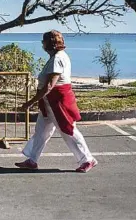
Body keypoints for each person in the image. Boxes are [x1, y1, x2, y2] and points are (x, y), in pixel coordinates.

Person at [15, 30, 97, 173]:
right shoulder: (55, 57)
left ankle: (87, 159)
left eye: (44, 41)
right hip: (49, 102)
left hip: (57, 101)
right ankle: (32, 160)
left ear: (50, 43)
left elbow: (49, 85)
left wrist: (30, 102)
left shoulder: (58, 58)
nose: (42, 44)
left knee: (68, 130)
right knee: (41, 131)